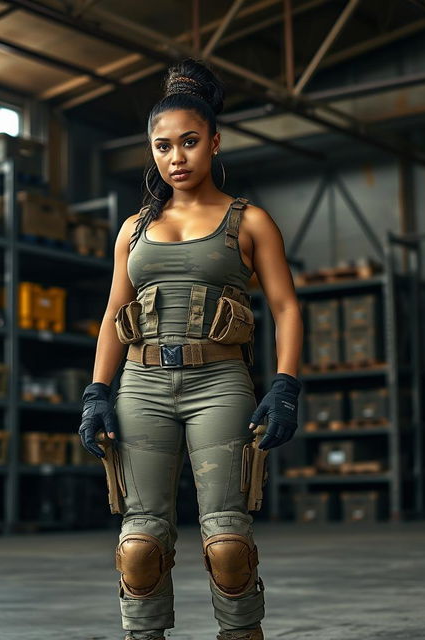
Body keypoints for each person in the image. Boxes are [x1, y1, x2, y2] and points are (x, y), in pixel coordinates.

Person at [78, 57, 304, 640]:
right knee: (140, 545)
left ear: (214, 142)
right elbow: (111, 315)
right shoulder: (134, 228)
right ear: (150, 152)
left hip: (220, 383)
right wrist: (97, 392)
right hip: (141, 383)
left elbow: (286, 307)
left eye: (189, 142)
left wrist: (284, 387)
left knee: (228, 543)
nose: (176, 157)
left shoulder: (249, 221)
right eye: (162, 146)